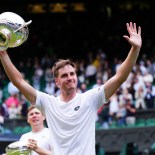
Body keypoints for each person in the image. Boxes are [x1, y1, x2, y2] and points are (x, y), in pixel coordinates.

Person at [0, 22, 142, 155]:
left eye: (72, 74)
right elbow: (18, 82)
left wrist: (135, 49)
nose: (70, 78)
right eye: (64, 75)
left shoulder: (90, 98)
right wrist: (3, 52)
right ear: (57, 81)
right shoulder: (48, 103)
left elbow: (119, 77)